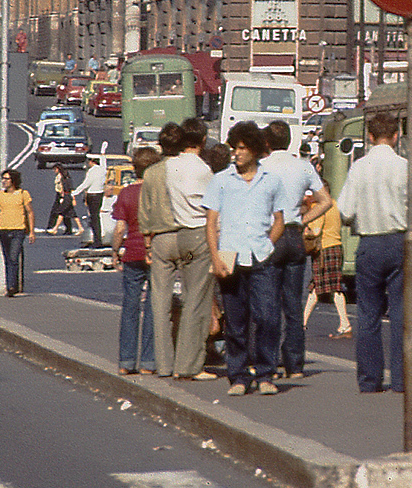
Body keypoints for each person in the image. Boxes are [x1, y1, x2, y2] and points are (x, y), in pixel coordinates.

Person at [337, 110, 412, 394]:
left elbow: (345, 210)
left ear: (370, 137)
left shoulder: (359, 168)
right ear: (397, 136)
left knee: (368, 315)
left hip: (370, 243)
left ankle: (370, 380)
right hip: (400, 242)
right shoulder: (405, 167)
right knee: (402, 314)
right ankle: (402, 380)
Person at [202, 121, 290, 396]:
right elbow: (211, 222)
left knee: (268, 318)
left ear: (254, 150)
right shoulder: (221, 180)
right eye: (234, 148)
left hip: (260, 257)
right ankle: (238, 376)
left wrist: (268, 245)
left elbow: (280, 220)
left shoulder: (272, 181)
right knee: (236, 321)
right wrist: (215, 257)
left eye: (242, 148)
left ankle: (265, 373)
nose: (236, 153)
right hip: (230, 256)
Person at [145, 119, 217, 381]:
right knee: (195, 300)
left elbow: (149, 208)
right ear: (203, 140)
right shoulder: (203, 170)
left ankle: (165, 364)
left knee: (162, 303)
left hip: (171, 239)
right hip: (195, 238)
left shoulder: (164, 169)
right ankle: (189, 364)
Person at [260, 119, 333, 379]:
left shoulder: (262, 166)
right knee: (293, 303)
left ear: (267, 142)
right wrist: (303, 219)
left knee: (268, 302)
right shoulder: (303, 167)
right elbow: (325, 200)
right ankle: (295, 363)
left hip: (269, 235)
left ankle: (268, 360)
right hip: (294, 235)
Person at [111, 147, 160, 374]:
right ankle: (149, 363)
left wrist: (115, 251)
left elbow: (120, 227)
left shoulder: (126, 193)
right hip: (155, 253)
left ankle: (126, 362)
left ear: (135, 168)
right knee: (152, 308)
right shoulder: (160, 192)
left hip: (131, 253)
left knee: (130, 307)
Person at [302, 157, 351, 338]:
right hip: (336, 246)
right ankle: (303, 322)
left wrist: (304, 230)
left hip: (324, 249)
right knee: (319, 287)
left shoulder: (319, 207)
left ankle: (345, 324)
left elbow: (315, 231)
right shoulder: (335, 205)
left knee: (331, 287)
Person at [0, 169, 35, 297]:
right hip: (4, 230)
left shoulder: (23, 194)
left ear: (13, 180)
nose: (3, 181)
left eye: (6, 179)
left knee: (14, 257)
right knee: (8, 259)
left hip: (18, 230)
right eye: (3, 178)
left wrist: (31, 231)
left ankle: (12, 286)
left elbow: (30, 212)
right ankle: (10, 285)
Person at [72, 156, 107, 247]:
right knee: (96, 217)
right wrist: (103, 154)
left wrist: (75, 192)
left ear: (92, 161)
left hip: (92, 195)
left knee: (94, 218)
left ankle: (97, 240)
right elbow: (104, 161)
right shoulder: (103, 169)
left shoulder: (92, 171)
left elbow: (86, 184)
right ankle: (97, 239)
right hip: (100, 195)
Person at [47, 165, 76, 235]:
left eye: (55, 169)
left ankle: (54, 227)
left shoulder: (62, 177)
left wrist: (63, 197)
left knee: (60, 211)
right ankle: (68, 228)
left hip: (63, 196)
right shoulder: (58, 176)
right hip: (60, 195)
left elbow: (64, 187)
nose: (54, 171)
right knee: (67, 212)